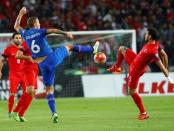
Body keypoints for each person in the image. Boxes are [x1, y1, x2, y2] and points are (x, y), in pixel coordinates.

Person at [14, 7, 100, 123]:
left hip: (42, 65)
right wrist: (65, 33)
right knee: (69, 47)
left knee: (49, 89)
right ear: (35, 24)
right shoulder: (40, 31)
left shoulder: (25, 34)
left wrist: (20, 14)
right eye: (38, 22)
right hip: (51, 59)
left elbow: (16, 27)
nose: (40, 24)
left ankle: (54, 113)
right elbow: (53, 30)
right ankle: (92, 50)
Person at [107, 28, 174, 120]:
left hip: (136, 70)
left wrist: (168, 76)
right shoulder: (155, 44)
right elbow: (165, 55)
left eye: (146, 34)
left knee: (132, 92)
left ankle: (144, 113)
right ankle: (117, 67)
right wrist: (167, 69)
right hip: (134, 60)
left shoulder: (152, 51)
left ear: (150, 36)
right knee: (122, 48)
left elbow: (161, 66)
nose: (145, 35)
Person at [0, 32, 26, 117]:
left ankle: (17, 109)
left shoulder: (25, 49)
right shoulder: (8, 49)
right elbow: (2, 61)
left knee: (28, 93)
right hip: (14, 75)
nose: (18, 39)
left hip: (24, 75)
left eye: (19, 38)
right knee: (12, 94)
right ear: (13, 39)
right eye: (16, 38)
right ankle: (10, 112)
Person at [11, 41, 39, 122]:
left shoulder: (39, 42)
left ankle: (21, 114)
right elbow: (17, 55)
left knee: (33, 93)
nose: (38, 27)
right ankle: (15, 111)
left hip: (35, 68)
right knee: (30, 90)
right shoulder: (26, 43)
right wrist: (28, 58)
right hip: (28, 68)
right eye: (36, 27)